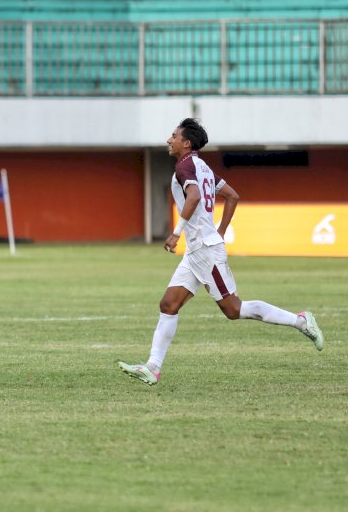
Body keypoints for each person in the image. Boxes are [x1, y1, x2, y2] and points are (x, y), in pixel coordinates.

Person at [118, 118, 323, 385]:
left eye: (173, 136)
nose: (169, 140)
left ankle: (301, 320)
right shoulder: (202, 166)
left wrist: (176, 232)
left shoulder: (184, 166)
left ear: (186, 143)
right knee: (169, 304)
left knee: (233, 309)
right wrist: (220, 231)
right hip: (197, 251)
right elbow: (232, 195)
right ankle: (152, 367)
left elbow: (193, 197)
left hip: (204, 251)